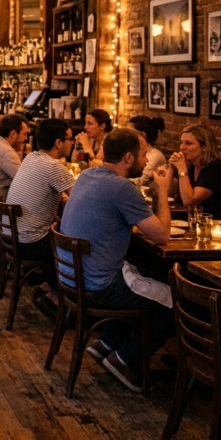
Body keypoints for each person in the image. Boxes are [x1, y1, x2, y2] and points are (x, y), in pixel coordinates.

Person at [60, 128, 175, 392]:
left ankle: (106, 343)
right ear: (128, 157)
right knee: (175, 303)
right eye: (143, 155)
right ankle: (125, 360)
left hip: (74, 278)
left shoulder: (88, 174)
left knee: (146, 278)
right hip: (99, 286)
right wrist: (163, 189)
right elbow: (161, 236)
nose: (147, 161)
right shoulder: (122, 187)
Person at [5, 119, 76, 308]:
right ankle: (54, 296)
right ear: (58, 142)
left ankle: (47, 286)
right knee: (75, 247)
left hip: (11, 236)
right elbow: (80, 201)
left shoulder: (31, 158)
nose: (73, 143)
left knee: (63, 233)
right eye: (70, 139)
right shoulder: (54, 166)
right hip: (30, 242)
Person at [168, 124, 221, 217]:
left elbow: (190, 201)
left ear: (205, 147)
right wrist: (171, 168)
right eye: (181, 142)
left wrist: (182, 169)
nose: (182, 147)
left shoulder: (217, 169)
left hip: (215, 224)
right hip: (192, 220)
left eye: (188, 143)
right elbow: (167, 193)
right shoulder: (191, 166)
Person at [128, 116, 166, 188]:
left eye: (130, 132)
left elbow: (139, 180)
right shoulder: (132, 151)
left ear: (143, 135)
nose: (127, 135)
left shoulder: (155, 156)